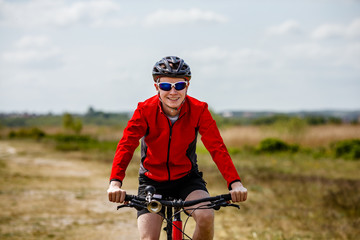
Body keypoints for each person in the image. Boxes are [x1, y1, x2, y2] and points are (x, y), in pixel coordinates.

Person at [107, 56, 247, 240]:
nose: (173, 92)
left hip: (187, 179)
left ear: (187, 85)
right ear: (157, 87)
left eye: (179, 86)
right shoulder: (144, 110)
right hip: (152, 181)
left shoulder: (199, 110)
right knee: (149, 238)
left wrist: (235, 183)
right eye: (166, 86)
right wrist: (115, 183)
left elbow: (217, 147)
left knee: (206, 217)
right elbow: (127, 145)